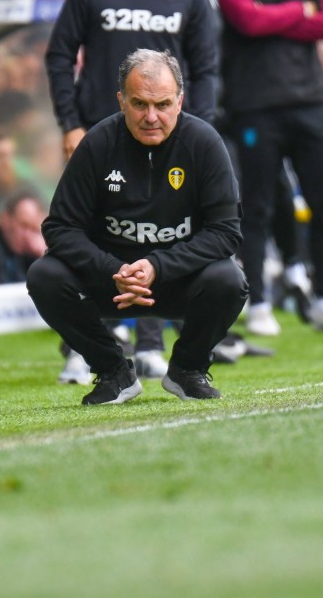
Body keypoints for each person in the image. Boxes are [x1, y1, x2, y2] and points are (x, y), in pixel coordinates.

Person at [28, 49, 248, 404]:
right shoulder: (98, 144)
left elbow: (226, 232)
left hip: (177, 282)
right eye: (139, 104)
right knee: (44, 275)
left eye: (162, 104)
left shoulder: (204, 143)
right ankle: (114, 372)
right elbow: (59, 228)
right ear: (121, 101)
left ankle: (187, 370)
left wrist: (158, 267)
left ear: (180, 101)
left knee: (229, 280)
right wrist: (113, 269)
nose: (151, 117)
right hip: (110, 282)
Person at [46, 0, 219, 381]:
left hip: (168, 138)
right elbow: (60, 54)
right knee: (89, 234)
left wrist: (200, 131)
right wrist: (70, 123)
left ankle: (150, 345)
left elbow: (207, 68)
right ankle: (82, 348)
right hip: (98, 136)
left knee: (160, 233)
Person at [212, 0, 323, 334]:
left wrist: (273, 14)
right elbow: (247, 20)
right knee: (256, 205)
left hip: (309, 100)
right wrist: (300, 10)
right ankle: (258, 303)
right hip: (254, 102)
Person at [0, 191, 47, 284]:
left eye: (33, 230)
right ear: (5, 218)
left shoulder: (26, 252)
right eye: (24, 226)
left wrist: (42, 256)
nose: (27, 236)